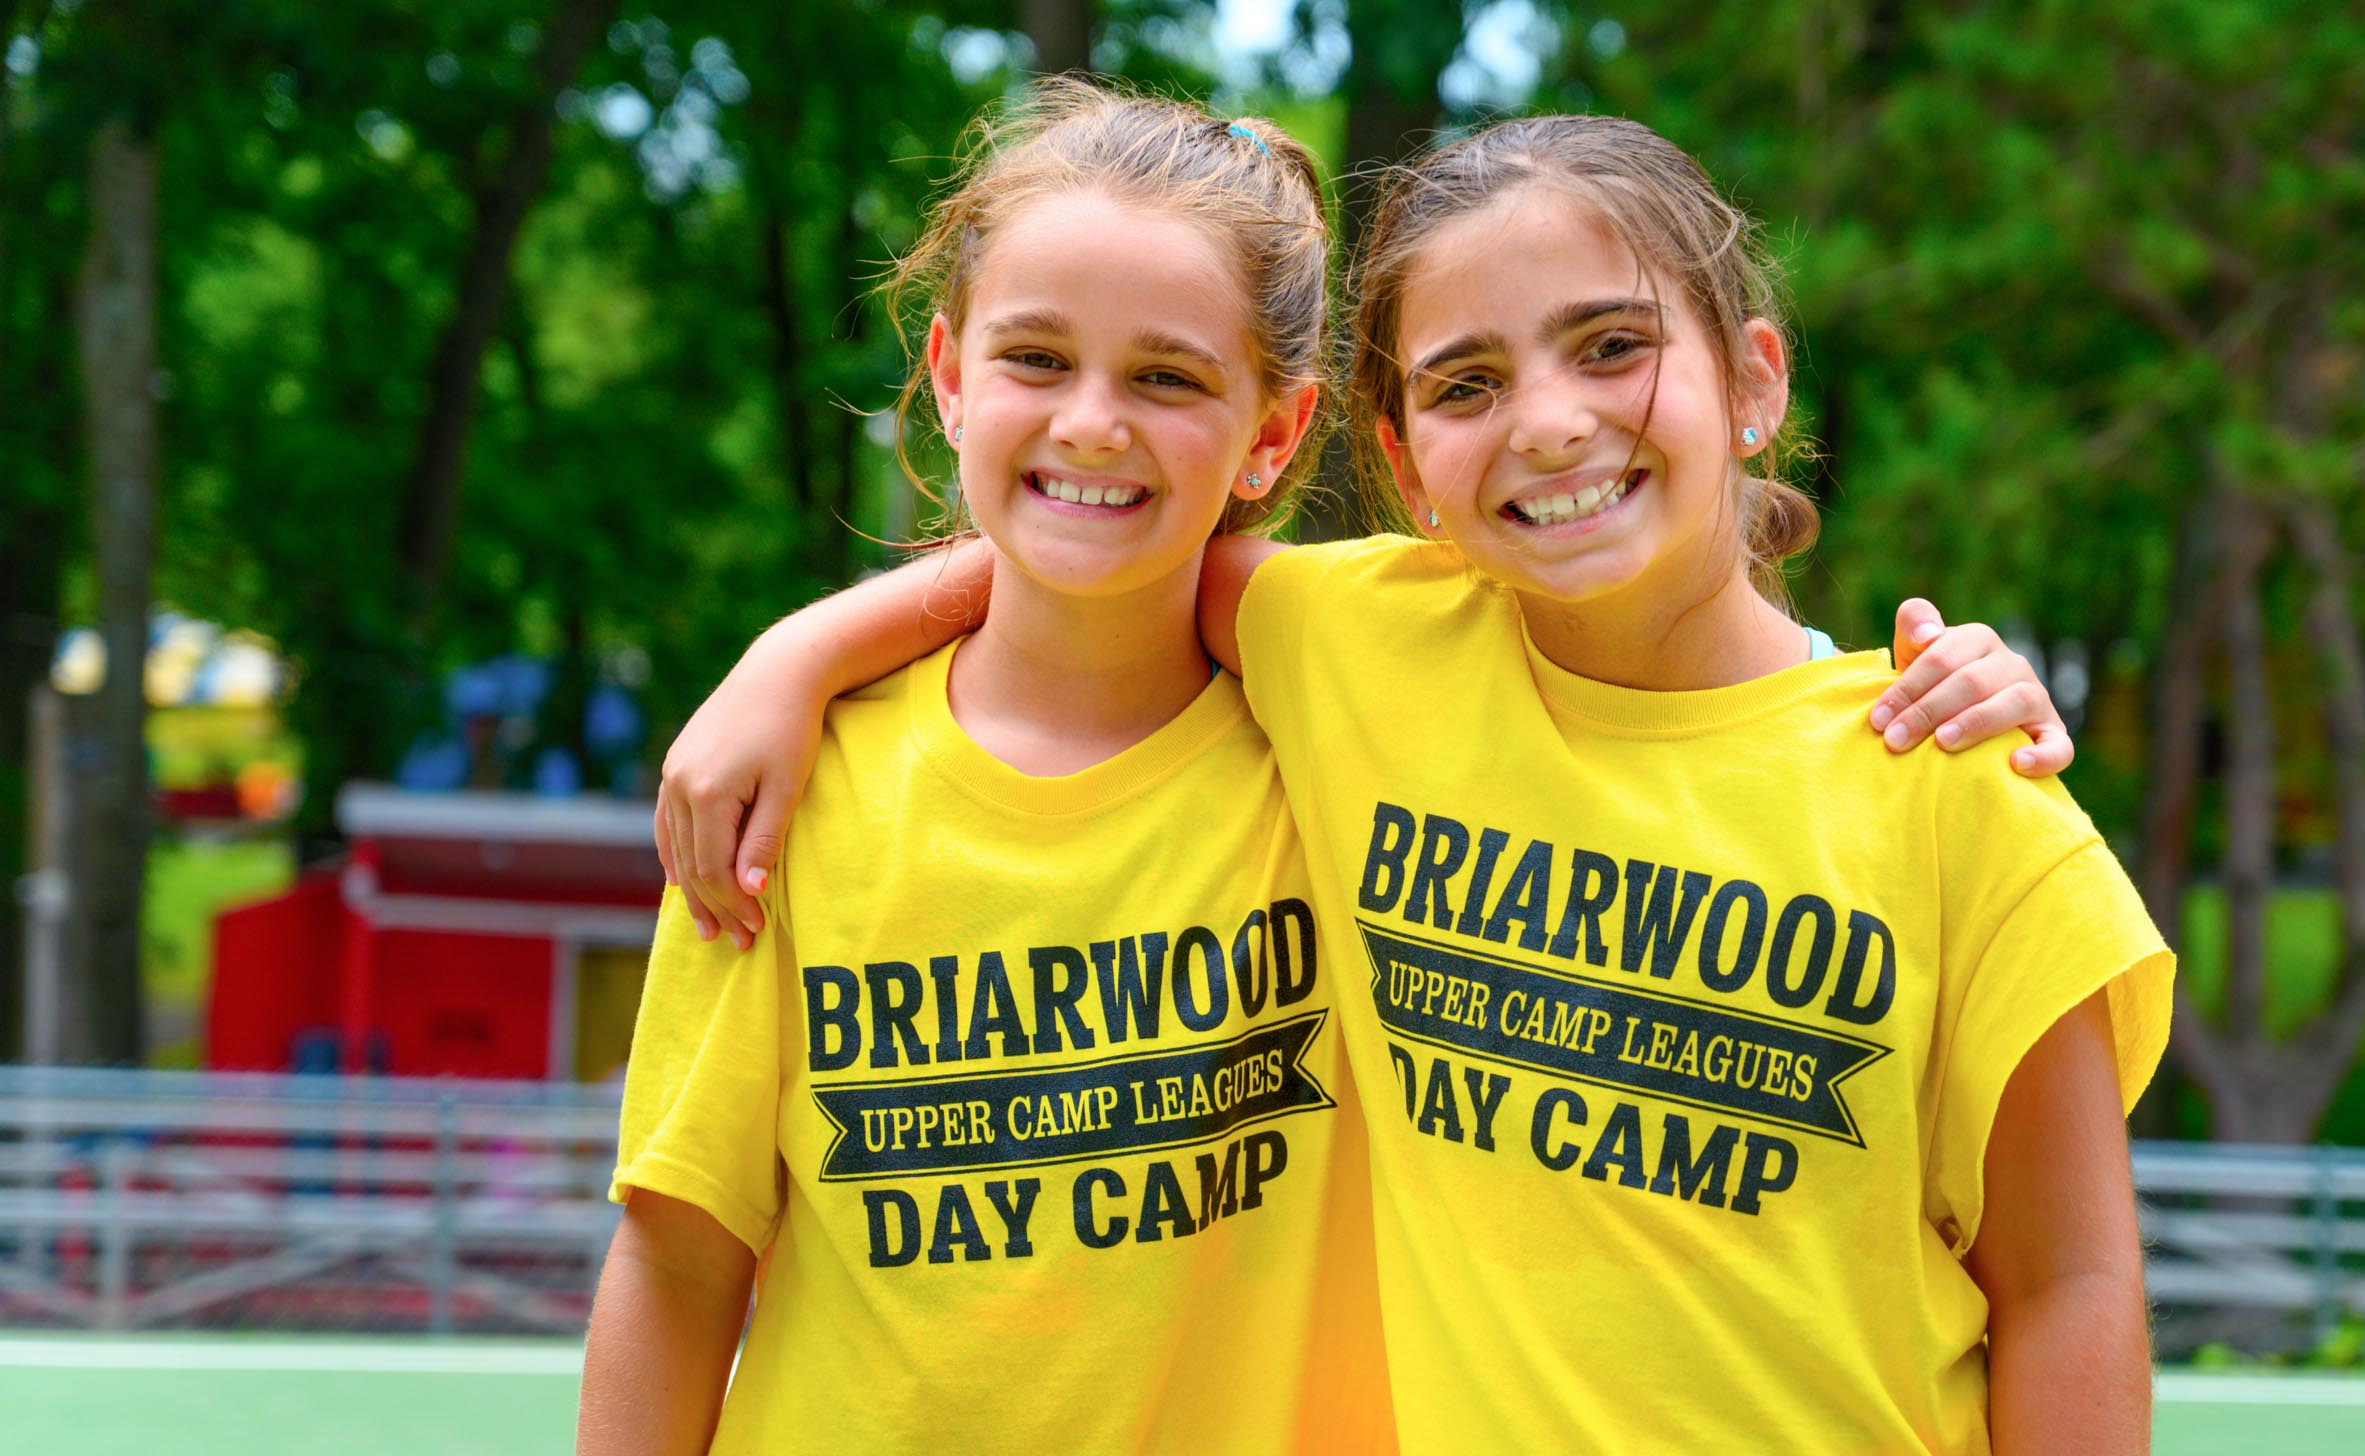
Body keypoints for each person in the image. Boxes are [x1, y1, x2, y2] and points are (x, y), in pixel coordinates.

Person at [655, 117, 2161, 1455]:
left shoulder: (1956, 776)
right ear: (1401, 458)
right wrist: (797, 655)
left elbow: (2071, 1282)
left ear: (1753, 375)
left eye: (1612, 346)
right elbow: (1106, 535)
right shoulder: (1359, 644)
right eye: (1468, 381)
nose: (1551, 420)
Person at [576, 81, 1391, 1454]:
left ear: (1276, 431)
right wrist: (805, 659)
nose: (1090, 423)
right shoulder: (788, 786)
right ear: (949, 375)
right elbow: (679, 1260)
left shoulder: (1357, 755)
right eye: (1036, 359)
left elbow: (1653, 687)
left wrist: (1884, 675)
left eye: (1168, 377)